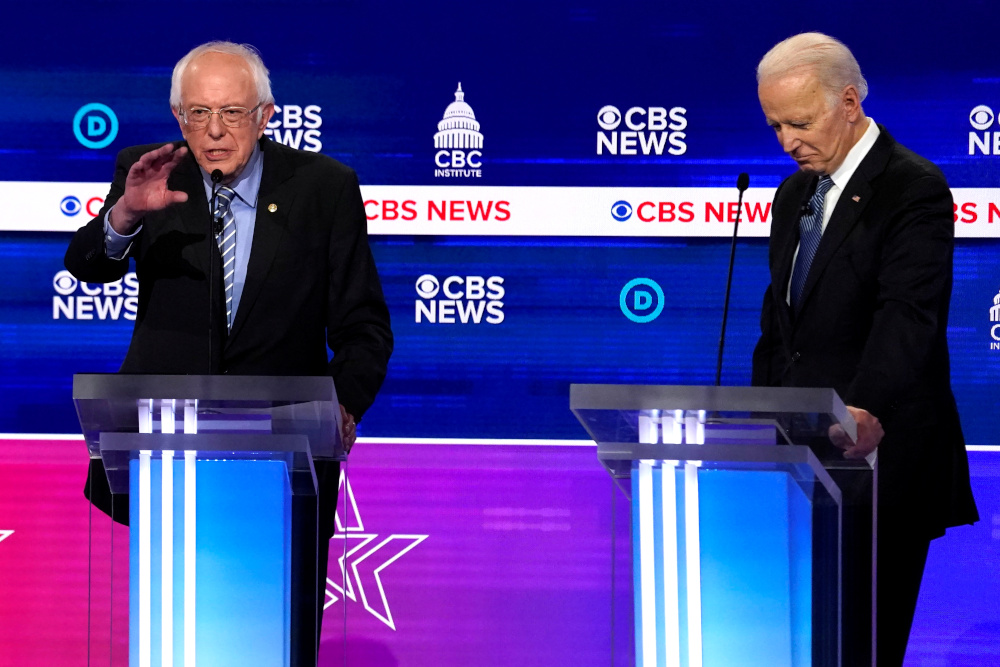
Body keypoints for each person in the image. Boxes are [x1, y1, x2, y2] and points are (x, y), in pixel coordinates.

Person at [64, 41, 393, 664]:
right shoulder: (150, 174)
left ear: (266, 115)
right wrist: (126, 214)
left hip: (287, 463)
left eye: (232, 114)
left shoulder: (324, 188)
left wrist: (344, 406)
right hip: (166, 459)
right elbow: (85, 266)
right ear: (177, 117)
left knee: (279, 638)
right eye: (197, 114)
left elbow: (364, 325)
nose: (213, 132)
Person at [751, 32, 978, 666]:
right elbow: (781, 328)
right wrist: (753, 424)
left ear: (848, 102)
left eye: (799, 121)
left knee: (864, 647)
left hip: (881, 461)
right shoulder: (793, 194)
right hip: (798, 464)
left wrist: (866, 409)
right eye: (774, 125)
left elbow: (908, 317)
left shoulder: (913, 188)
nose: (785, 141)